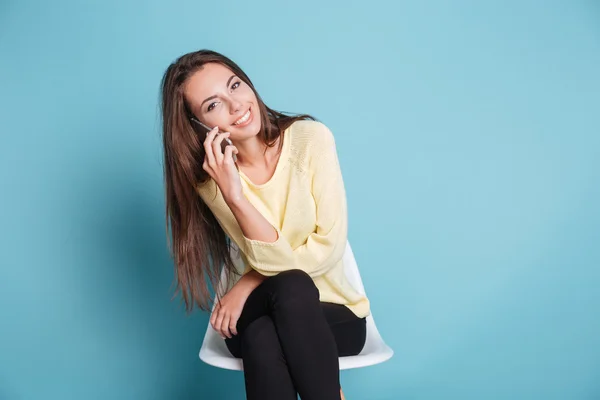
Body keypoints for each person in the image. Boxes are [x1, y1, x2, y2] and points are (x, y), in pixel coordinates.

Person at [160, 49, 370, 400]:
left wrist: (248, 281)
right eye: (213, 106)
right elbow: (284, 270)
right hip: (260, 309)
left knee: (268, 327)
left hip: (335, 312)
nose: (237, 105)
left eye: (235, 85)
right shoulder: (214, 181)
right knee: (288, 291)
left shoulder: (311, 140)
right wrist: (235, 195)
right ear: (197, 128)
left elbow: (328, 249)